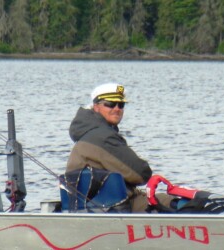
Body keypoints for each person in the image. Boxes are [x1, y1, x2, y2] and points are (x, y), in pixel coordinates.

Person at [66, 83, 173, 212]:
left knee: (171, 199)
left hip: (104, 204)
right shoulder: (102, 137)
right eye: (110, 104)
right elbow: (140, 174)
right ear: (96, 107)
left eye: (121, 105)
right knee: (183, 202)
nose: (117, 108)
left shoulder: (89, 133)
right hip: (113, 206)